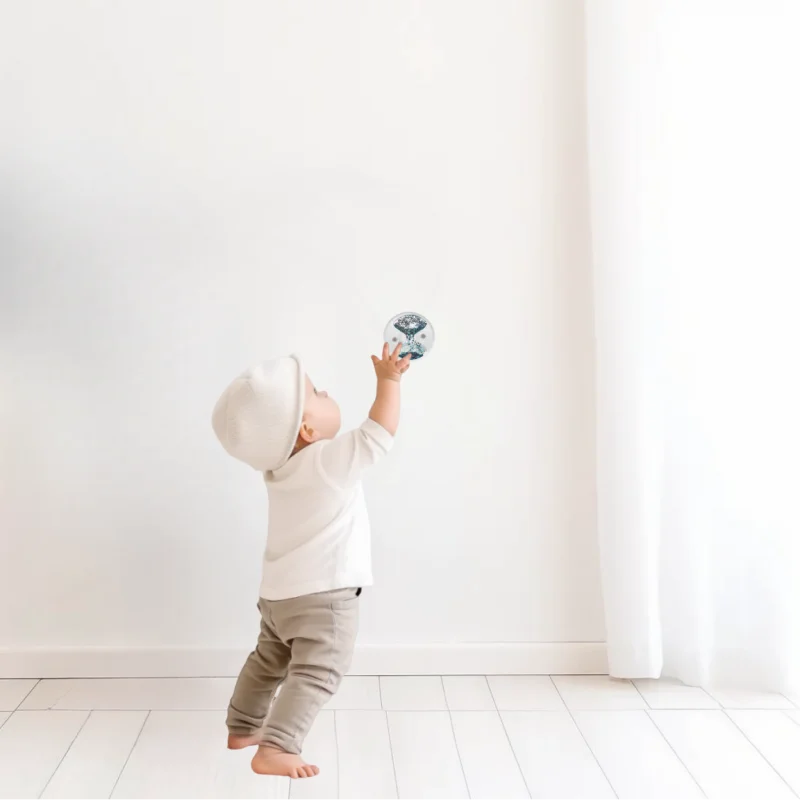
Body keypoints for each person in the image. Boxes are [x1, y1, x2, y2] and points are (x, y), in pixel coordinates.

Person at [211, 343, 411, 779]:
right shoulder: (326, 461)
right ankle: (277, 746)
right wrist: (389, 382)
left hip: (278, 596)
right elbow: (379, 432)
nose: (328, 392)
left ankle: (243, 725)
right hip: (325, 596)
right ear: (306, 429)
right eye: (318, 392)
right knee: (320, 669)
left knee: (269, 659)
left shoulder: (277, 472)